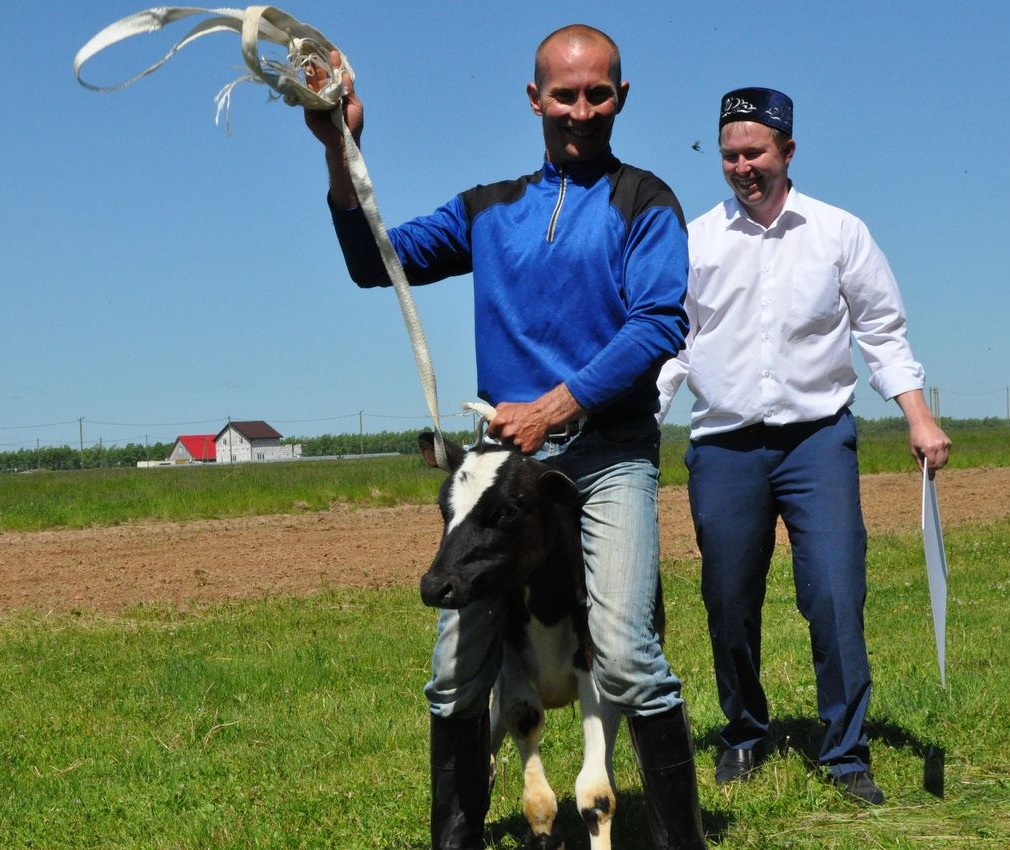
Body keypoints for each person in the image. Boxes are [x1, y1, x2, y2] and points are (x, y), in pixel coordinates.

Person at [304, 25, 708, 850]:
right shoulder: (489, 210)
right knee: (455, 670)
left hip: (607, 456)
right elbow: (374, 260)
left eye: (599, 93)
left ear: (621, 98)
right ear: (535, 100)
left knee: (628, 658)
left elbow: (660, 322)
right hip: (505, 472)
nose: (582, 110)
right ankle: (454, 838)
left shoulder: (645, 203)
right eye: (565, 94)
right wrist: (339, 149)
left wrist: (556, 406)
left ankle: (682, 843)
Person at [657, 87, 951, 806]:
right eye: (730, 155)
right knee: (728, 599)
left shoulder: (839, 232)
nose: (742, 166)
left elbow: (881, 330)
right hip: (724, 446)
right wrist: (639, 420)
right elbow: (671, 346)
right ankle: (745, 732)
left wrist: (917, 416)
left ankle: (847, 754)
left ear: (788, 151)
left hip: (818, 441)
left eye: (755, 152)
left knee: (834, 591)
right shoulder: (695, 241)